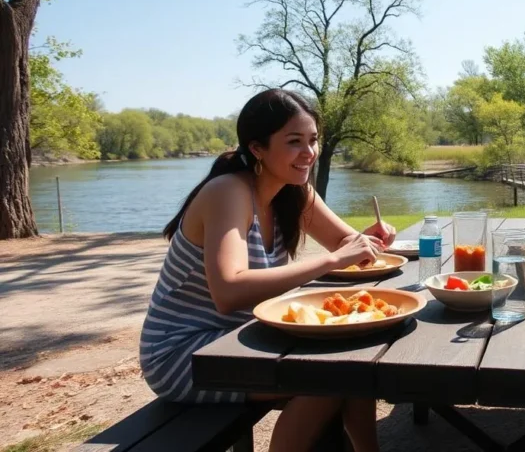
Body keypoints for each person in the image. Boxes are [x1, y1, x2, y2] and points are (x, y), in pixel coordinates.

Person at [139, 89, 394, 452]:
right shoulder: (227, 191)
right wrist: (332, 260)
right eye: (294, 142)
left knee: (352, 360)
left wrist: (370, 240)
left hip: (239, 338)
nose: (308, 153)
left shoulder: (294, 191)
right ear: (257, 148)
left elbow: (345, 244)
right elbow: (228, 292)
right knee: (334, 375)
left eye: (313, 140)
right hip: (185, 354)